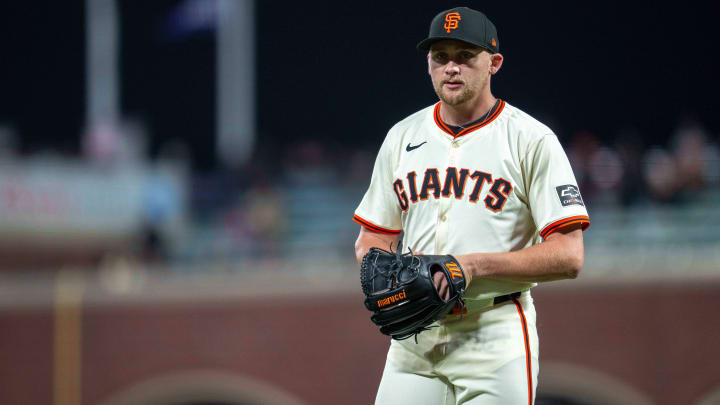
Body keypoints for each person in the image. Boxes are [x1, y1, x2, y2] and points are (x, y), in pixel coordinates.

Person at [352, 7, 590, 404]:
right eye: (440, 57)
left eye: (465, 56)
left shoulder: (531, 139)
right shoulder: (401, 136)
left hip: (494, 334)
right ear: (428, 63)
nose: (451, 68)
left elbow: (569, 255)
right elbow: (373, 236)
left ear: (494, 63)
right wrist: (383, 274)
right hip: (416, 341)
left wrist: (473, 266)